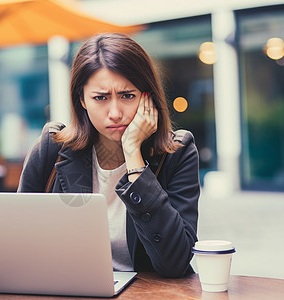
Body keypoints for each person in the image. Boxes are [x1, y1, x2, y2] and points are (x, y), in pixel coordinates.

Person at [18, 33, 200, 278]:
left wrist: (134, 158)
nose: (115, 113)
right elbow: (18, 240)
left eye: (127, 95)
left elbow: (175, 263)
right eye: (100, 98)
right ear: (81, 99)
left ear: (148, 97)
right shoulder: (52, 148)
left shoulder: (178, 153)